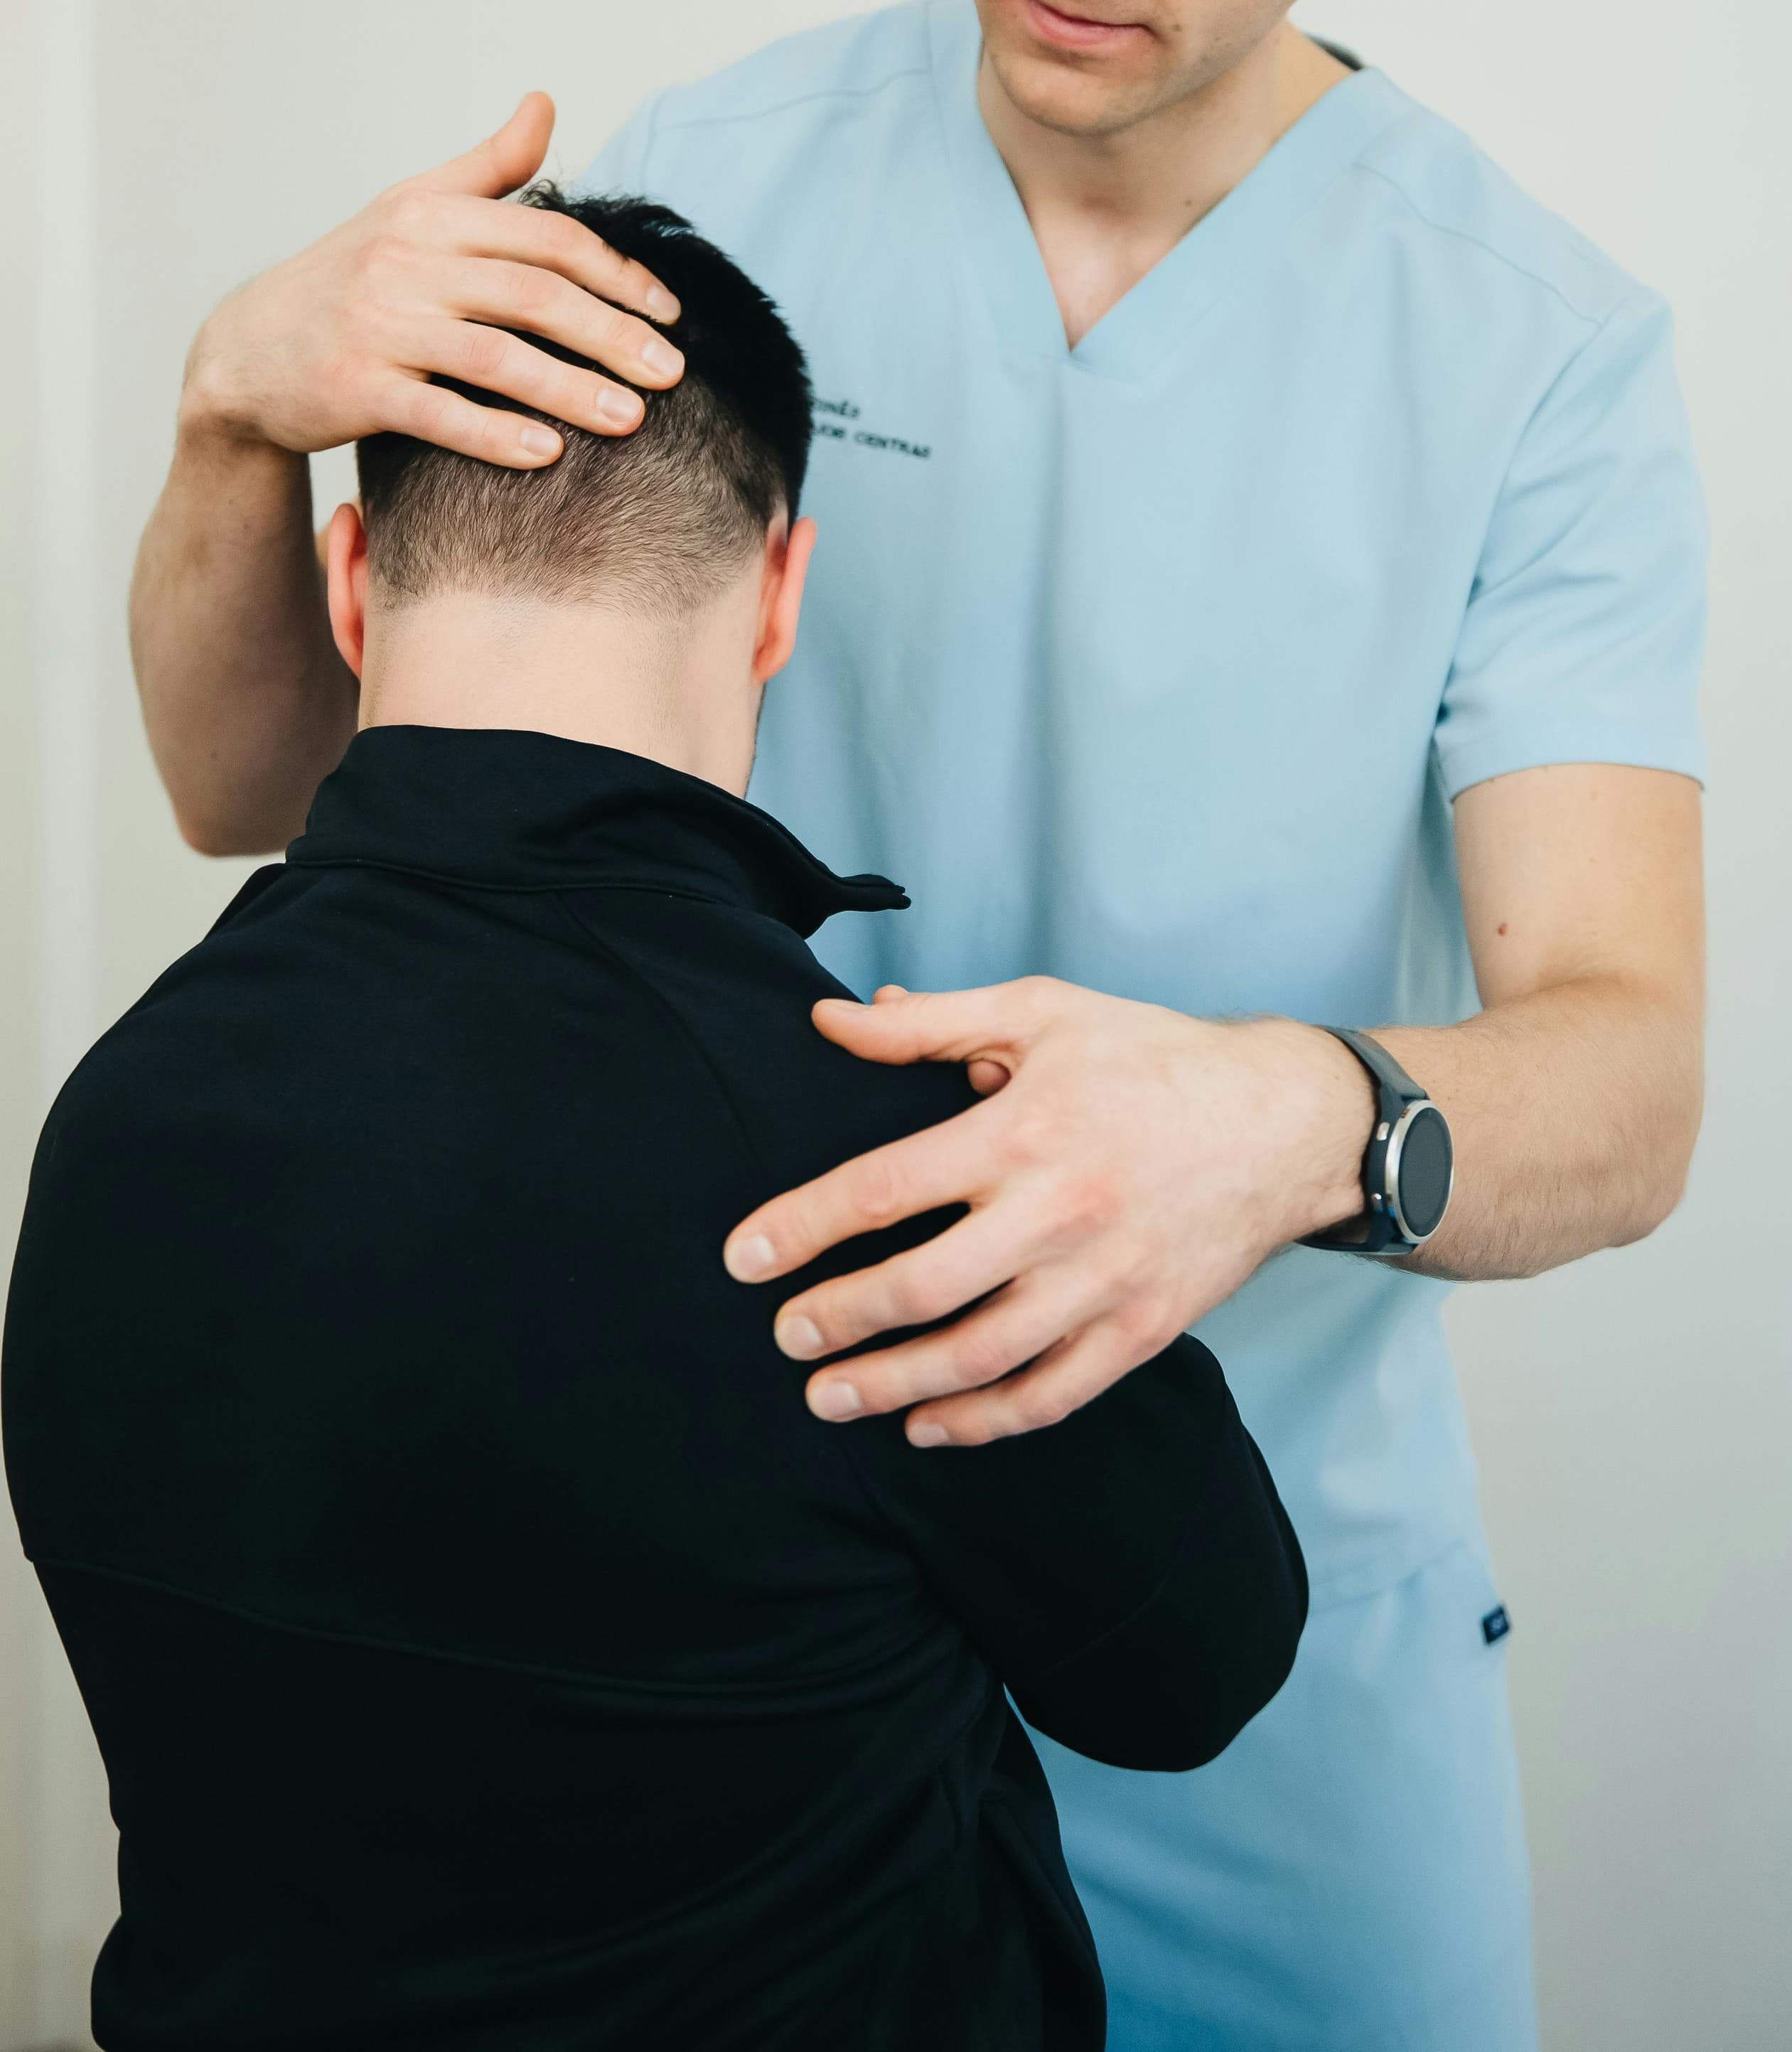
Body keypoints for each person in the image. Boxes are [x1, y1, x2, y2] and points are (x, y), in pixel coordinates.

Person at [125, 4, 1710, 2045]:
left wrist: (1291, 1121)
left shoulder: (1531, 348)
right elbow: (244, 789)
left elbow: (1629, 1077)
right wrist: (228, 424)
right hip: (749, 1643)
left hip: (1263, 1624)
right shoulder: (717, 172)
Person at [3, 190, 1308, 2052]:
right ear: (779, 591)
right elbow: (1195, 1669)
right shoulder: (884, 1164)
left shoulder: (117, 1109)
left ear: (356, 576)